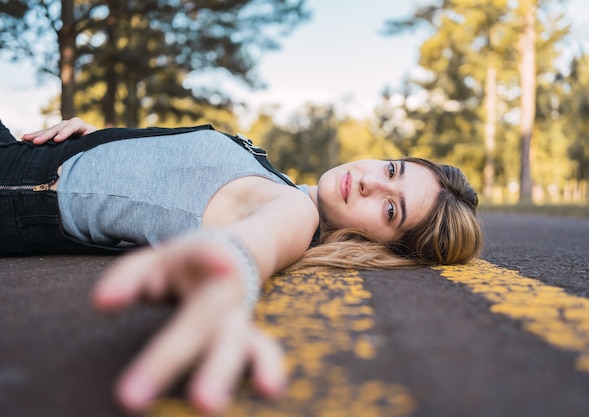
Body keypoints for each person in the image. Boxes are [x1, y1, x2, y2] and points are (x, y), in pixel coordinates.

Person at [0, 117, 483, 413]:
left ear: (382, 246)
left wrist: (230, 269)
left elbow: (255, 245)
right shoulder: (283, 180)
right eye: (392, 170)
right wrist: (95, 141)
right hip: (26, 152)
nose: (370, 184)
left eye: (391, 209)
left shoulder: (295, 212)